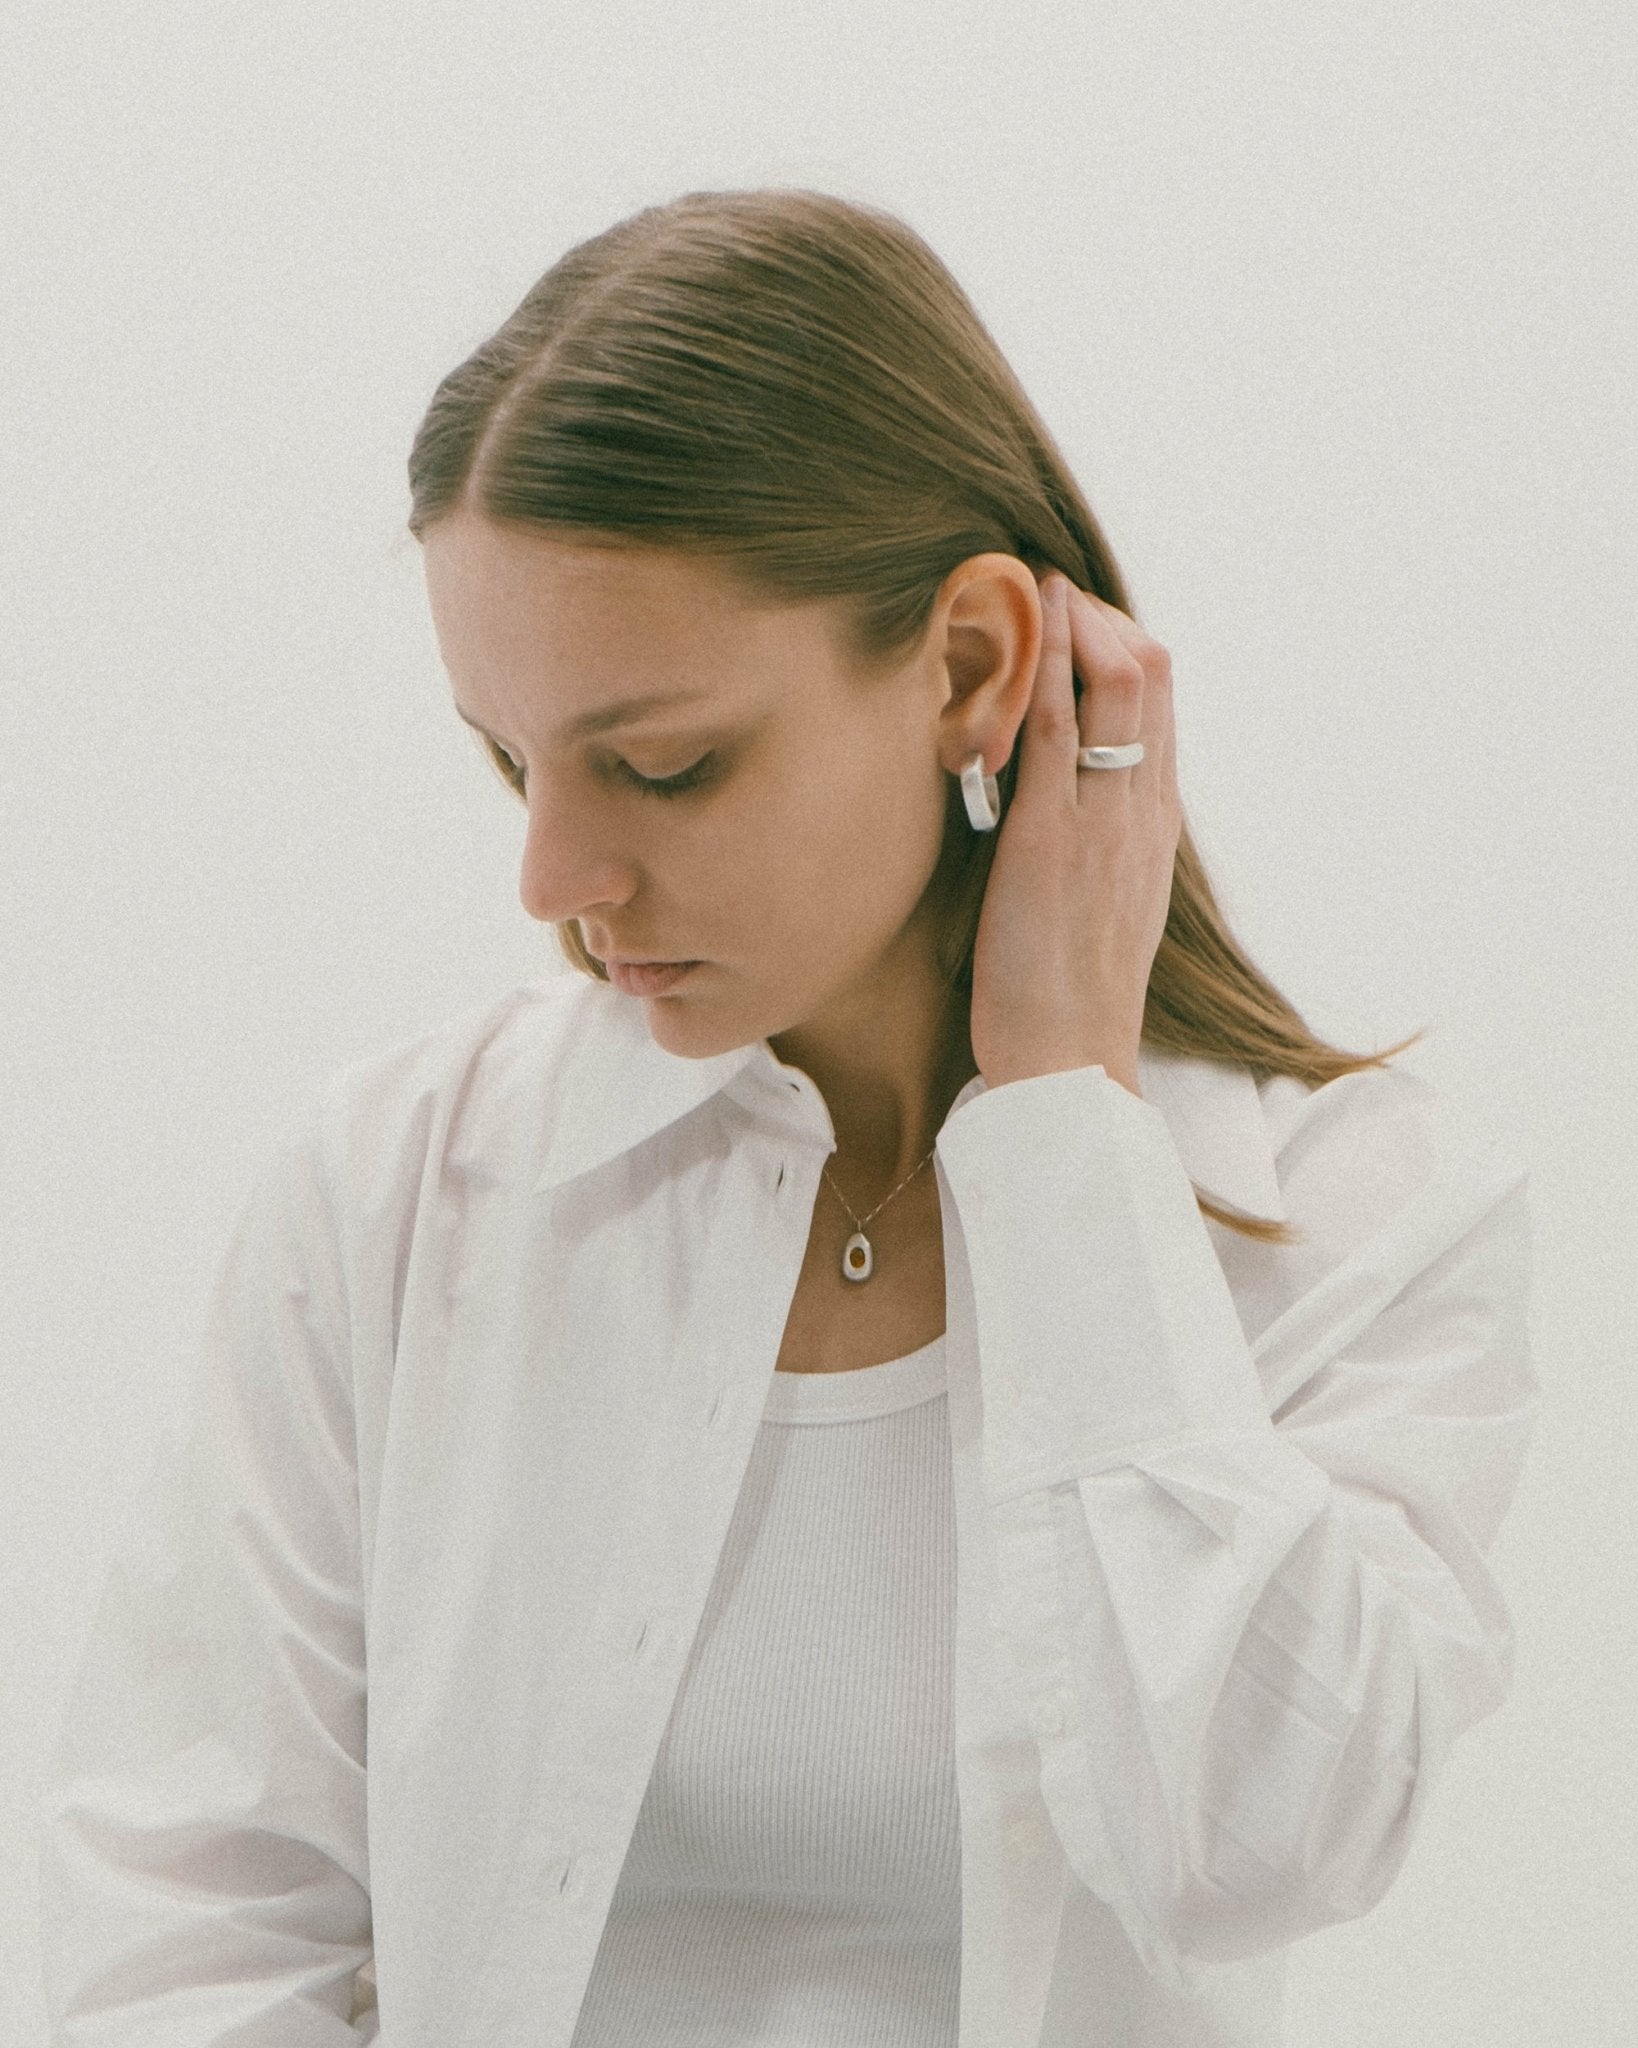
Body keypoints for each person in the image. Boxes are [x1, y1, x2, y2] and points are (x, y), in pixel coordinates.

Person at [38, 187, 1538, 2047]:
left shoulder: (1349, 1212)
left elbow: (1255, 1847)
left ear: (971, 666)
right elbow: (186, 1924)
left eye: (662, 764)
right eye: (507, 759)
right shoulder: (398, 1184)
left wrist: (1061, 1121)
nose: (550, 876)